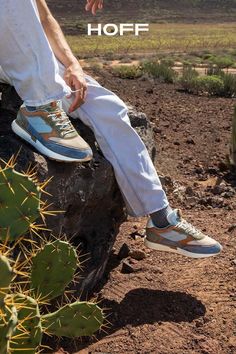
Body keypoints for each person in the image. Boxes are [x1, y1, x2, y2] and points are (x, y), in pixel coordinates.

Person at [0, 0, 222, 258]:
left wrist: (72, 64)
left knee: (106, 106)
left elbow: (45, 18)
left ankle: (162, 220)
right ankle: (39, 108)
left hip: (18, 51)